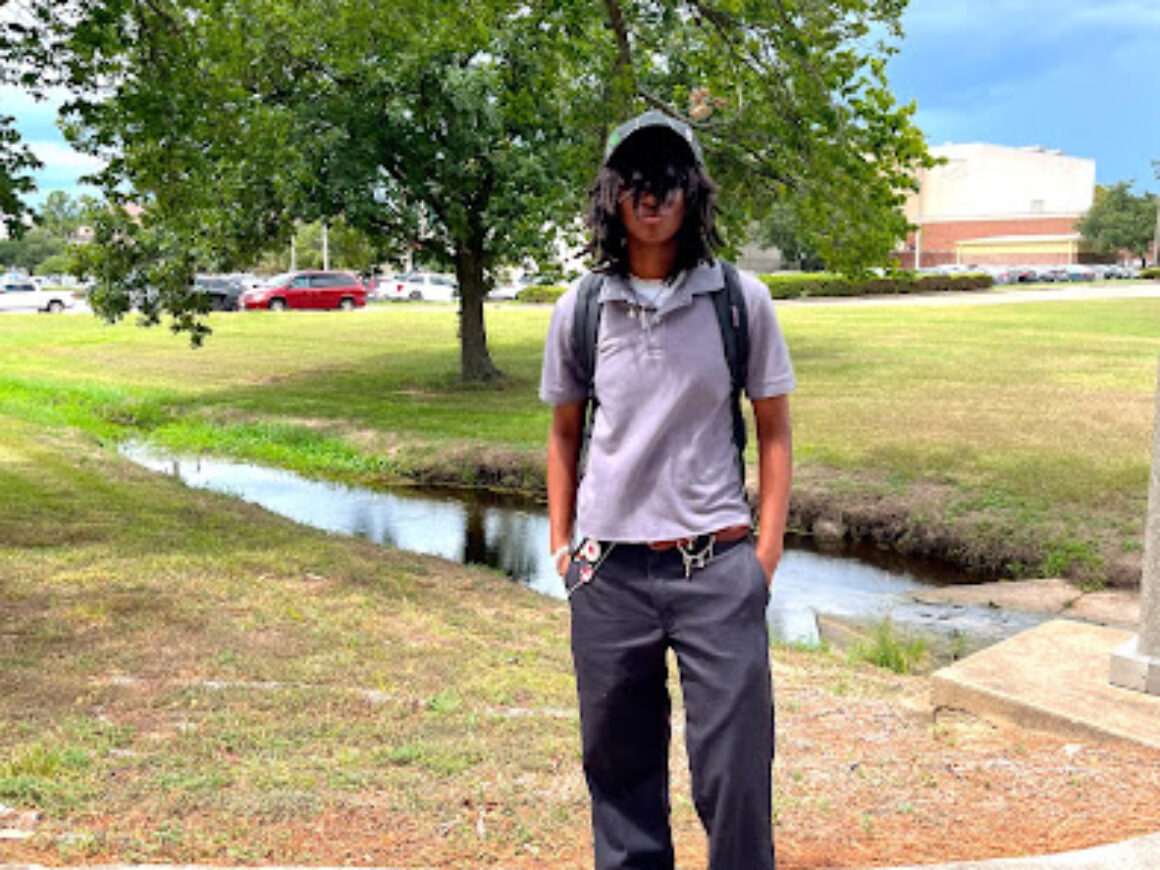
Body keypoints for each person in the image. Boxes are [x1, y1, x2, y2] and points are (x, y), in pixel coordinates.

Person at [539, 109, 795, 870]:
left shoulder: (739, 302)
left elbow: (774, 434)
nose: (650, 198)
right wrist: (562, 550)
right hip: (609, 575)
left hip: (716, 568)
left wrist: (764, 560)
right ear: (611, 196)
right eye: (634, 182)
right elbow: (563, 436)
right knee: (619, 774)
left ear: (694, 193)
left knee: (736, 775)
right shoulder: (581, 307)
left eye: (667, 180)